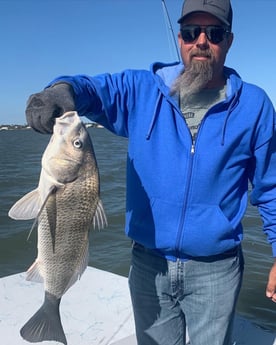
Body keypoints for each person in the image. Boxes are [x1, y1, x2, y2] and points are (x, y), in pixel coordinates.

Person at [25, 0, 276, 344]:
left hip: (217, 269)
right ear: (180, 39)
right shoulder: (141, 91)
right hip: (148, 265)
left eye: (213, 33)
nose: (201, 41)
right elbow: (92, 90)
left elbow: (271, 188)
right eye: (191, 32)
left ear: (229, 41)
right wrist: (61, 90)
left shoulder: (255, 106)